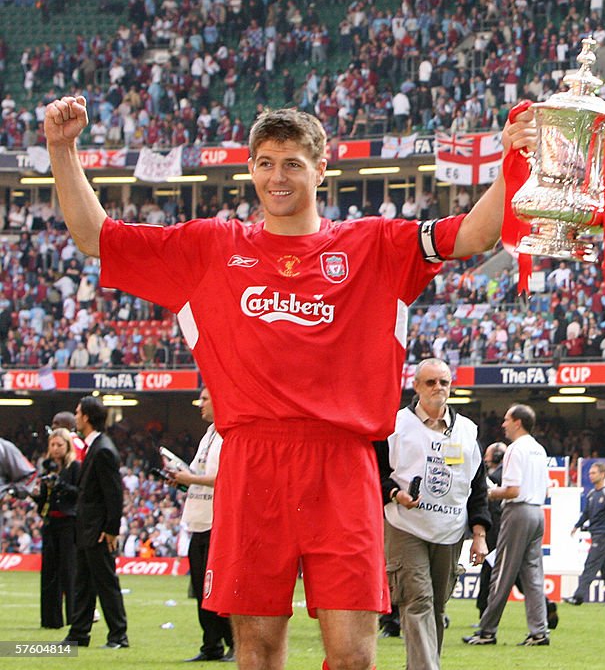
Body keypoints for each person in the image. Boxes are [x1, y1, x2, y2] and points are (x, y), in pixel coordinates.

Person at [44, 95, 539, 670]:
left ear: (321, 169)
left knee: (354, 655)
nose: (276, 177)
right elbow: (95, 236)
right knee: (256, 651)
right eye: (265, 163)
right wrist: (63, 148)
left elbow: (474, 234)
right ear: (250, 168)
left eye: (293, 164)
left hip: (344, 464)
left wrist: (512, 160)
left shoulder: (372, 245)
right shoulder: (210, 247)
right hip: (252, 463)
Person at [376, 358, 489, 670]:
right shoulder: (394, 425)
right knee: (418, 602)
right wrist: (394, 493)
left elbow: (477, 487)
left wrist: (479, 535)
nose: (438, 388)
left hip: (450, 530)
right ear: (416, 386)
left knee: (436, 608)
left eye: (444, 382)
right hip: (405, 526)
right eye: (431, 382)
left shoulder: (467, 431)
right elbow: (373, 470)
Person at [464, 404, 551, 647]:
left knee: (501, 572)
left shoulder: (515, 450)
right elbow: (545, 487)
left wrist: (489, 492)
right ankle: (539, 631)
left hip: (518, 513)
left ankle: (487, 630)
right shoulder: (539, 449)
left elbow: (512, 491)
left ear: (517, 422)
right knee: (533, 575)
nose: (503, 424)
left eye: (506, 420)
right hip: (537, 512)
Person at [164, 388, 234, 662]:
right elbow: (199, 473)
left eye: (205, 399)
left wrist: (190, 478)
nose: (200, 404)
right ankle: (211, 644)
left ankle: (233, 643)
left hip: (217, 521)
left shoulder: (228, 434)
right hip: (198, 518)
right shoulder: (209, 434)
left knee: (217, 588)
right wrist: (182, 478)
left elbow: (224, 477)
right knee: (200, 588)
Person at [63, 396, 129, 649]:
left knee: (105, 582)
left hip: (98, 530)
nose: (75, 416)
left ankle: (118, 636)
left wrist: (111, 529)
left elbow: (114, 494)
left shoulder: (102, 450)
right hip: (87, 528)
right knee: (83, 583)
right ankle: (78, 633)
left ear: (87, 417)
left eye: (78, 412)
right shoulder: (96, 447)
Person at [563, 462, 605, 606]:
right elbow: (586, 513)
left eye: (594, 473)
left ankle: (578, 596)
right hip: (595, 534)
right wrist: (577, 526)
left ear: (602, 474)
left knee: (591, 564)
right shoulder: (591, 495)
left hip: (603, 535)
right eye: (590, 473)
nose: (591, 475)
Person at [32, 428, 80, 629]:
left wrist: (60, 484)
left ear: (67, 446)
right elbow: (43, 501)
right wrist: (35, 494)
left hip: (69, 524)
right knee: (49, 572)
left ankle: (74, 617)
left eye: (59, 445)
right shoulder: (47, 469)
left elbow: (79, 493)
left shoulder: (74, 467)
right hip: (50, 523)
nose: (56, 449)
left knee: (69, 571)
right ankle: (50, 619)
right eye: (53, 445)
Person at [475, 441, 506, 619]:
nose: (486, 459)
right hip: (497, 526)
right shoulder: (499, 474)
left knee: (492, 568)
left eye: (488, 455)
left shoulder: (495, 477)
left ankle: (484, 611)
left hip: (495, 528)